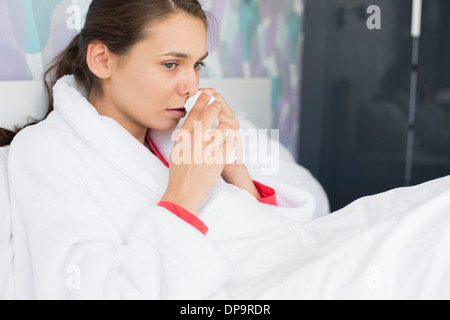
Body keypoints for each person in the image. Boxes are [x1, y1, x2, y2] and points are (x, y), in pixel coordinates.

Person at [3, 0, 323, 299]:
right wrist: (183, 195)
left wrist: (236, 171)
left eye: (197, 65)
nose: (191, 87)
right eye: (171, 64)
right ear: (102, 60)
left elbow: (268, 243)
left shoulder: (174, 137)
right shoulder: (46, 152)